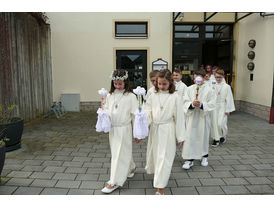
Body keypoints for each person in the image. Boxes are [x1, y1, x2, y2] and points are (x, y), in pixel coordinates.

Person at [138, 69, 185, 195]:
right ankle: (159, 176)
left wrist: (181, 136)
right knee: (156, 154)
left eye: (164, 84)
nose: (161, 86)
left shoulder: (175, 96)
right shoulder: (152, 94)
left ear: (170, 83)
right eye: (159, 84)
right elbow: (147, 111)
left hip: (167, 128)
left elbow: (179, 117)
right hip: (155, 128)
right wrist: (141, 129)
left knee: (165, 156)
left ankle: (160, 187)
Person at [101, 69, 138, 194]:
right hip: (113, 128)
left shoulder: (131, 96)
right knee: (119, 151)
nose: (118, 86)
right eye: (115, 84)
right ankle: (131, 167)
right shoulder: (110, 95)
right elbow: (106, 108)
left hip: (124, 128)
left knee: (118, 154)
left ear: (126, 82)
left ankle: (114, 181)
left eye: (120, 84)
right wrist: (103, 110)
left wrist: (137, 132)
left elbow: (135, 115)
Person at [181, 69, 216, 169]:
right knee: (190, 137)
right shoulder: (189, 89)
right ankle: (189, 159)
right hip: (192, 117)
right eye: (196, 76)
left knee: (203, 136)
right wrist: (191, 104)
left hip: (203, 117)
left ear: (205, 78)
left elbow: (212, 104)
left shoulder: (209, 90)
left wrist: (201, 105)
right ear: (194, 78)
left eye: (200, 76)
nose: (198, 78)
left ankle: (204, 156)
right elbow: (184, 101)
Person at [214, 68, 235, 144]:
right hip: (214, 106)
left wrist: (228, 109)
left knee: (221, 124)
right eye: (216, 77)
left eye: (219, 77)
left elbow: (229, 98)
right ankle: (217, 137)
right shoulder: (213, 85)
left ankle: (223, 135)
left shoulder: (226, 86)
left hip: (223, 106)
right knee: (215, 123)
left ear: (223, 77)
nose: (218, 79)